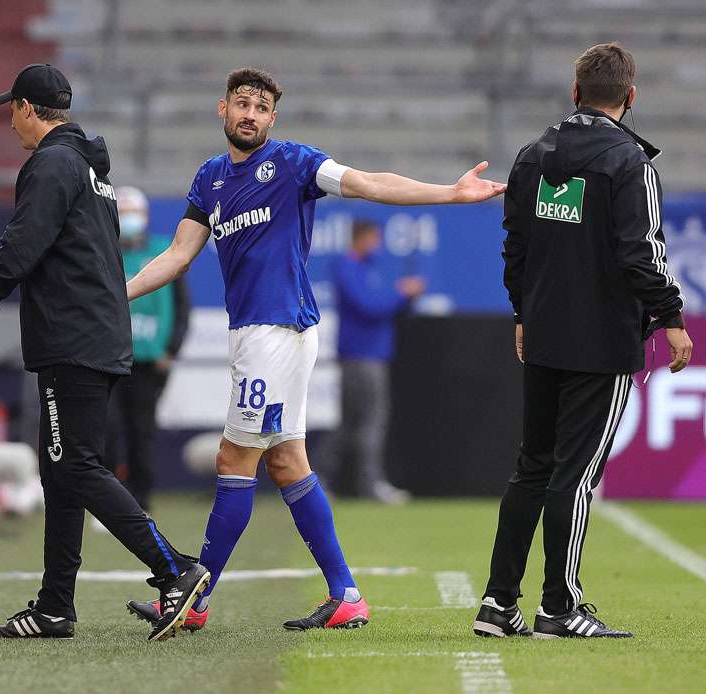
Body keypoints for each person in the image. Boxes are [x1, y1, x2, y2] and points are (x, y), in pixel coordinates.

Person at [123, 67, 504, 633]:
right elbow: (179, 255)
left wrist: (448, 193)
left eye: (261, 106)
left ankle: (194, 597)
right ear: (222, 110)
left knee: (234, 460)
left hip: (276, 331)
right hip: (258, 332)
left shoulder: (294, 163)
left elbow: (366, 182)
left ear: (273, 118)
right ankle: (344, 594)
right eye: (241, 103)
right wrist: (119, 294)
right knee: (286, 461)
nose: (250, 113)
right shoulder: (209, 179)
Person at [0, 63, 209, 642]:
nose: (11, 121)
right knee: (61, 472)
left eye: (13, 108)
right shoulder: (87, 167)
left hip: (73, 339)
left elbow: (17, 252)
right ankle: (56, 606)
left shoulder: (51, 164)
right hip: (97, 335)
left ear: (30, 108)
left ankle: (175, 568)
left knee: (75, 465)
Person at [475, 43, 692, 641]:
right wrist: (672, 315)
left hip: (543, 333)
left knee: (532, 468)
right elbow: (641, 252)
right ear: (630, 97)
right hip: (601, 340)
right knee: (577, 472)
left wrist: (524, 312)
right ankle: (557, 607)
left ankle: (497, 603)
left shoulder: (531, 155)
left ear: (575, 92)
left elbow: (514, 248)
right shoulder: (630, 162)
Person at [105, 186, 190, 512]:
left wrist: (172, 349)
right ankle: (110, 502)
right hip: (109, 360)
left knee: (142, 432)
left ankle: (142, 500)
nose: (129, 219)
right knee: (106, 432)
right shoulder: (105, 252)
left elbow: (182, 307)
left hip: (149, 363)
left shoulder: (162, 252)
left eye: (134, 212)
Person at [332, 220, 424, 504]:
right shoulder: (347, 267)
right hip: (361, 356)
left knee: (351, 423)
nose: (378, 245)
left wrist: (401, 295)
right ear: (362, 238)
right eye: (375, 239)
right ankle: (369, 484)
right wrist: (401, 292)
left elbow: (382, 303)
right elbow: (370, 306)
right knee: (371, 420)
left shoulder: (368, 268)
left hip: (371, 355)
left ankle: (318, 477)